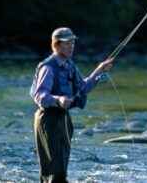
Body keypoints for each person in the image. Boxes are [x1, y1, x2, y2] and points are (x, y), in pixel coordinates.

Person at [31, 27, 114, 183]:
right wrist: (58, 100)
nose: (71, 46)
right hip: (47, 120)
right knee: (54, 172)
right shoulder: (48, 67)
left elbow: (83, 88)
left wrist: (99, 70)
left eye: (73, 43)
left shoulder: (69, 65)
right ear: (56, 45)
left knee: (61, 169)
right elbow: (39, 95)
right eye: (67, 43)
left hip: (63, 119)